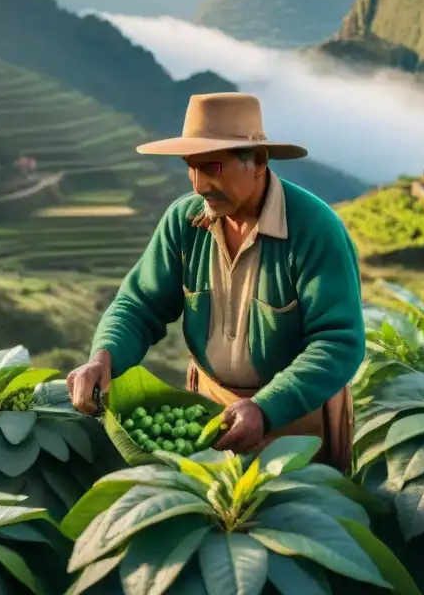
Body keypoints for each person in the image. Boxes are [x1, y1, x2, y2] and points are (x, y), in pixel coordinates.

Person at [66, 92, 365, 471]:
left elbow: (339, 342)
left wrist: (265, 408)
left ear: (257, 161)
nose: (199, 186)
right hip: (208, 408)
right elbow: (140, 305)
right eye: (191, 167)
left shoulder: (314, 230)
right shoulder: (185, 222)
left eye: (213, 169)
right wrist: (103, 358)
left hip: (294, 417)